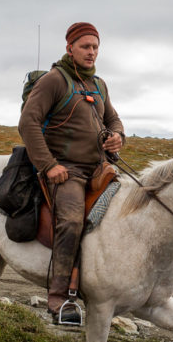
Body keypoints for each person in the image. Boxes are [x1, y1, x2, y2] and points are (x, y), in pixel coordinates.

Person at [19, 22, 125, 323]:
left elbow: (114, 120)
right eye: (85, 46)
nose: (91, 52)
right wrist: (49, 166)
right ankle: (59, 298)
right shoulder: (54, 80)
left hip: (99, 168)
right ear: (70, 48)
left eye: (95, 47)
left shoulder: (99, 85)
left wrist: (117, 137)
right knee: (72, 220)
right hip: (67, 171)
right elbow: (28, 123)